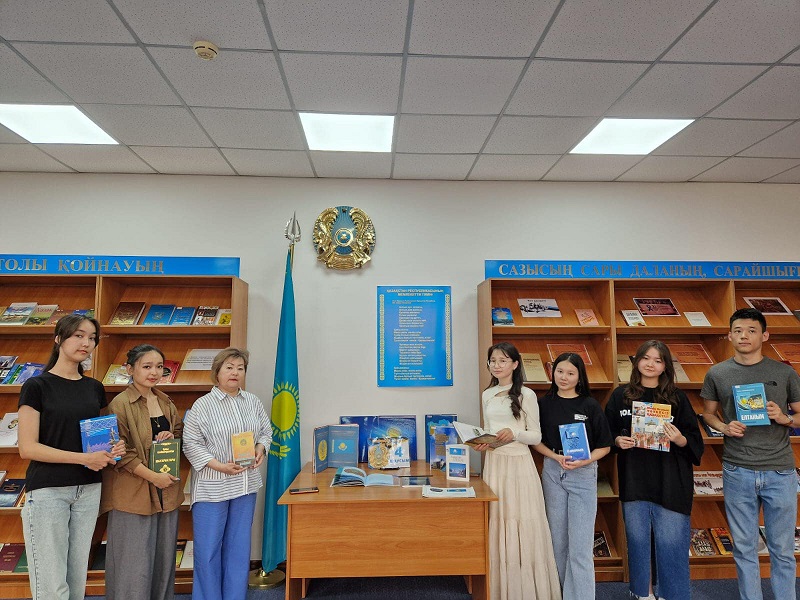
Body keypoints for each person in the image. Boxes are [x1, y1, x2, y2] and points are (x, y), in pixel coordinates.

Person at [18, 314, 124, 600]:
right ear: (58, 339)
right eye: (78, 335)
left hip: (88, 489)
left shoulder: (94, 387)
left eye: (92, 338)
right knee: (52, 585)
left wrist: (113, 448)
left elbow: (99, 440)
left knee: (76, 581)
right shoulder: (36, 386)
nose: (86, 343)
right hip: (49, 490)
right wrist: (83, 459)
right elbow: (27, 448)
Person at [701, 308, 800, 600]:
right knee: (744, 547)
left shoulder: (784, 373)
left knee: (782, 549)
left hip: (779, 470)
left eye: (752, 330)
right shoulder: (717, 373)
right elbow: (708, 414)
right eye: (738, 331)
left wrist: (784, 418)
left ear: (764, 336)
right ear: (729, 335)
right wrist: (724, 426)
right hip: (737, 469)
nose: (744, 336)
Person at [605, 340, 703, 600]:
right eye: (646, 358)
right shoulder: (620, 395)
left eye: (658, 360)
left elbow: (695, 442)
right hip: (634, 479)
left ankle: (673, 595)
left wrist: (679, 439)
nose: (650, 364)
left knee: (672, 543)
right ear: (637, 361)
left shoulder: (677, 397)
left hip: (671, 482)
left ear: (665, 366)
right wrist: (617, 440)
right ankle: (643, 593)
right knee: (638, 542)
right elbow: (605, 434)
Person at [182, 348, 272, 600]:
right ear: (217, 372)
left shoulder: (252, 401)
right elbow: (190, 443)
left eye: (240, 368)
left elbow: (266, 431)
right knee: (208, 550)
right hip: (213, 487)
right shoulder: (202, 405)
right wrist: (218, 465)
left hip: (245, 484)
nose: (235, 373)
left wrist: (260, 448)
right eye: (229, 367)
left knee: (238, 548)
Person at [475, 341, 561, 600]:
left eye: (502, 360)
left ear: (514, 364)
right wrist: (484, 442)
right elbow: (490, 430)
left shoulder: (526, 394)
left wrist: (514, 433)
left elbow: (535, 436)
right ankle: (500, 588)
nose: (496, 365)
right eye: (492, 361)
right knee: (497, 520)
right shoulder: (487, 394)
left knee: (521, 520)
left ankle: (527, 591)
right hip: (495, 464)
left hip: (519, 465)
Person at [101, 344, 184, 600]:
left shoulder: (165, 401)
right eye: (147, 366)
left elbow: (178, 434)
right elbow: (120, 453)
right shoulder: (119, 404)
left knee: (163, 561)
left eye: (159, 367)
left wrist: (169, 436)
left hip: (165, 493)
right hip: (133, 495)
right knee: (133, 564)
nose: (154, 372)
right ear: (130, 369)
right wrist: (153, 477)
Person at [533, 352, 612, 600]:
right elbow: (536, 441)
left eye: (570, 373)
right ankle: (560, 594)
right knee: (557, 542)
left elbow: (605, 446)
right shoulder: (543, 404)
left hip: (583, 473)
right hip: (553, 470)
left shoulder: (589, 405)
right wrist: (555, 457)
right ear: (552, 372)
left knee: (580, 546)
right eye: (559, 371)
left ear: (579, 377)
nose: (563, 377)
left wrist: (584, 461)